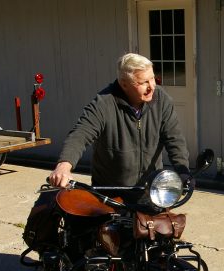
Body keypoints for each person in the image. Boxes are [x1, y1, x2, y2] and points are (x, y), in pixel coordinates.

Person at [48, 53, 191, 189]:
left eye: (152, 78)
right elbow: (80, 135)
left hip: (151, 191)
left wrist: (183, 170)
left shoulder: (162, 100)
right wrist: (64, 166)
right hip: (111, 193)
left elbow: (174, 139)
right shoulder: (103, 104)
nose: (152, 87)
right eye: (144, 82)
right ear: (124, 84)